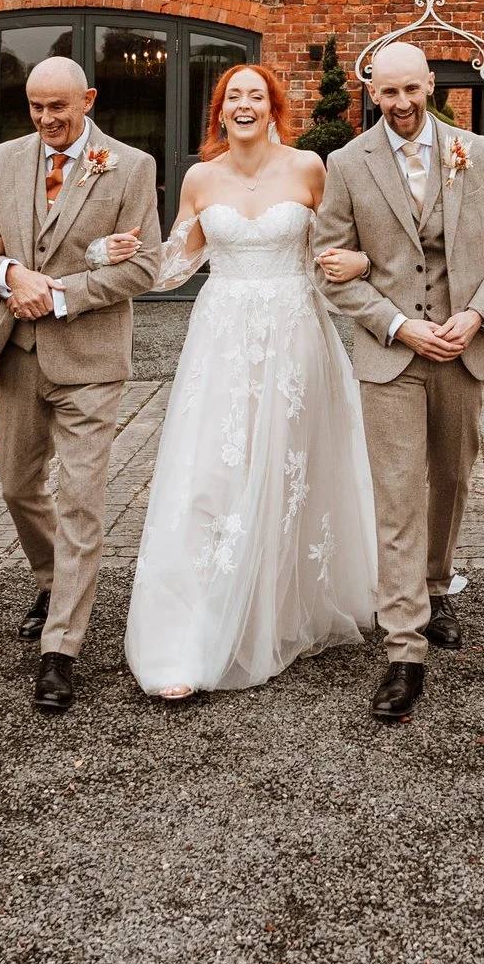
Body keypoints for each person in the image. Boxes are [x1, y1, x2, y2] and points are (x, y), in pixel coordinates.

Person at [108, 63, 375, 697]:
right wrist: (117, 253)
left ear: (274, 107)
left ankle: (280, 611)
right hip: (223, 338)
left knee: (288, 468)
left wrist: (359, 259)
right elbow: (175, 266)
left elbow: (339, 248)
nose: (246, 105)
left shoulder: (311, 168)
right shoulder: (201, 177)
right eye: (235, 97)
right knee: (214, 472)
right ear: (221, 112)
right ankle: (198, 626)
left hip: (295, 337)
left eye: (257, 95)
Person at [313, 41, 484, 724]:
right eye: (388, 93)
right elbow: (330, 267)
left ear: (430, 84)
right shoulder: (346, 163)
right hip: (392, 355)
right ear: (371, 93)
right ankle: (404, 648)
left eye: (412, 90)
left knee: (453, 476)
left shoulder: (480, 152)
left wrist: (474, 314)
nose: (402, 104)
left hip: (462, 347)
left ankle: (435, 585)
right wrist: (399, 325)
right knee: (399, 493)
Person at [0, 55, 162, 714]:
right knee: (20, 486)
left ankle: (61, 648)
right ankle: (53, 577)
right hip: (15, 352)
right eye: (36, 107)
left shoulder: (131, 166)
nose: (47, 120)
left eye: (60, 107)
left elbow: (146, 268)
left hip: (91, 358)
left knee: (78, 496)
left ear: (89, 99)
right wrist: (8, 275)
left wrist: (56, 295)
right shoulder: (1, 159)